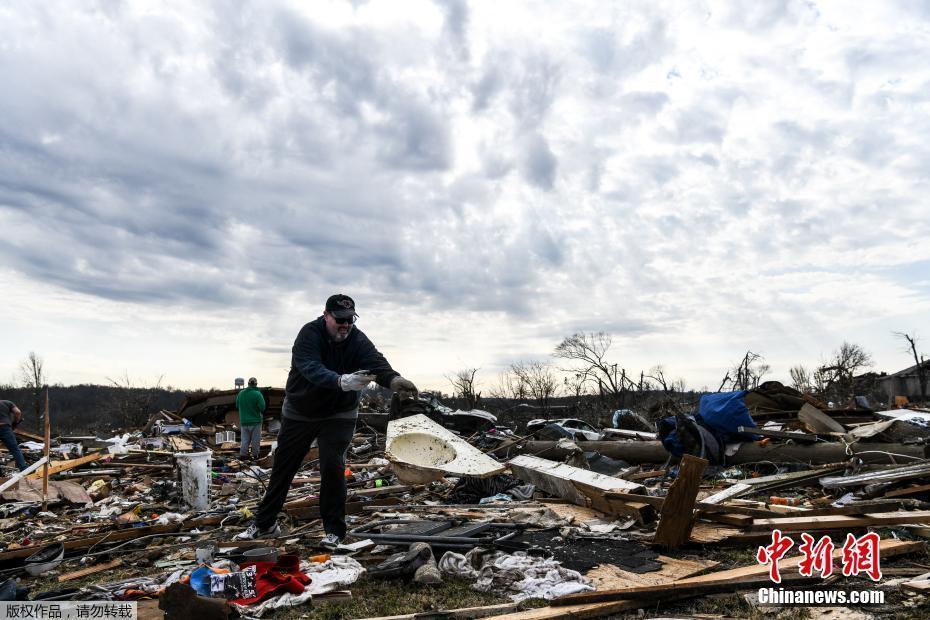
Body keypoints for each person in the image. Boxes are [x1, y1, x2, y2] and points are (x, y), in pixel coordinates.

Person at [238, 294, 417, 549]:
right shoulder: (309, 335)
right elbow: (310, 367)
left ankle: (334, 531)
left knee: (333, 466)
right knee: (284, 467)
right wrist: (341, 381)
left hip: (339, 413)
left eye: (350, 320)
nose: (345, 325)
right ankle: (265, 523)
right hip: (301, 411)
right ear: (326, 316)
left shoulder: (357, 339)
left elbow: (375, 362)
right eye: (340, 320)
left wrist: (394, 380)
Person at [235, 377, 266, 462]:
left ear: (248, 384)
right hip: (255, 421)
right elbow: (262, 408)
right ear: (256, 384)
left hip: (244, 422)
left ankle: (243, 456)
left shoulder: (241, 393)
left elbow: (237, 406)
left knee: (244, 440)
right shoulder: (258, 394)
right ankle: (255, 456)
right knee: (255, 441)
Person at [0, 401, 27, 471]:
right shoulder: (7, 403)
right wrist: (15, 422)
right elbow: (18, 412)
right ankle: (24, 469)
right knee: (15, 449)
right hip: (5, 427)